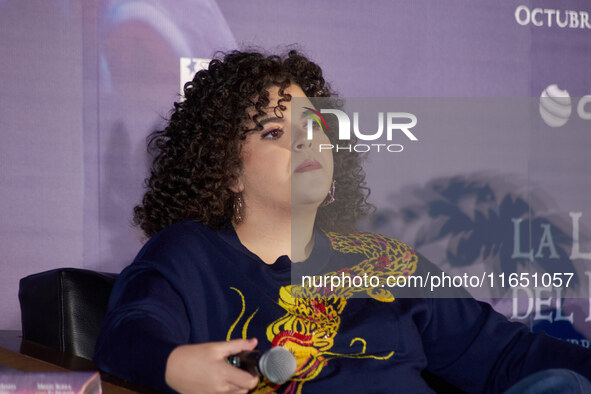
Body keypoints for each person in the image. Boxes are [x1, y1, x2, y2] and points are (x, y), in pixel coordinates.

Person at [93, 49, 591, 394]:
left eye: (313, 126)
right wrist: (171, 365)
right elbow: (128, 333)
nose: (306, 141)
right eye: (273, 131)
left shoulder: (387, 262)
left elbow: (508, 359)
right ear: (226, 172)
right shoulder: (189, 254)